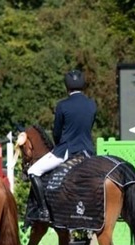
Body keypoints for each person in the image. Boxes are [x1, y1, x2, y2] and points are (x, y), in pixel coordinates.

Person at [27, 69, 97, 221]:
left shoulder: (62, 105)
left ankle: (44, 210)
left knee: (33, 171)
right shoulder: (92, 104)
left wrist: (58, 145)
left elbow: (57, 132)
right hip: (88, 151)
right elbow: (88, 127)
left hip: (67, 150)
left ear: (67, 86)